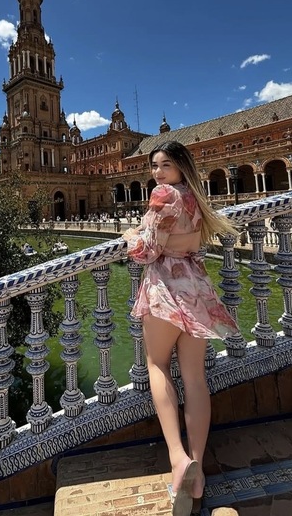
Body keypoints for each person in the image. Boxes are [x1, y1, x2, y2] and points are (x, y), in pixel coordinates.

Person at [122, 140, 239, 516]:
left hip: (165, 292)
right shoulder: (196, 198)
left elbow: (147, 252)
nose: (157, 173)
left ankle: (178, 458)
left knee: (157, 365)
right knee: (195, 379)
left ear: (180, 167)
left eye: (165, 165)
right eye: (154, 166)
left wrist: (131, 237)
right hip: (196, 290)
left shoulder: (163, 196)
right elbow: (191, 243)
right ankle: (198, 468)